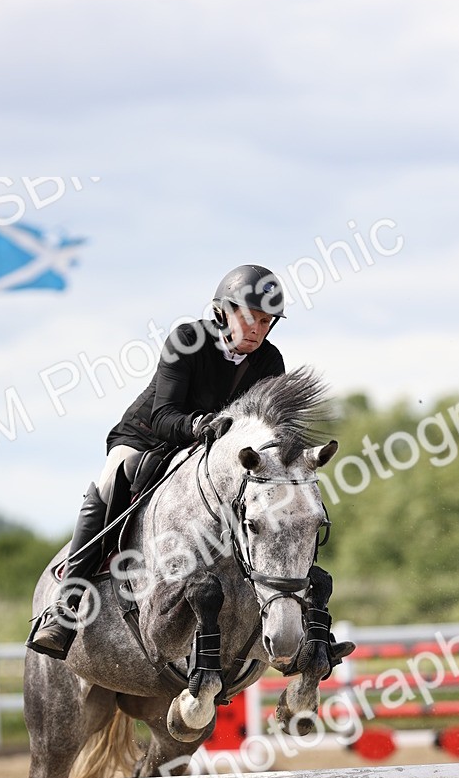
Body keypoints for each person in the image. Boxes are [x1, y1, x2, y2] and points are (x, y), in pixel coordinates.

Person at [27, 264, 289, 659]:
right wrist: (201, 424)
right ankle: (65, 606)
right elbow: (163, 414)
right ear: (225, 310)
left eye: (266, 321)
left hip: (211, 453)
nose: (256, 329)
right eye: (249, 317)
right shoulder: (187, 338)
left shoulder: (271, 362)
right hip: (148, 437)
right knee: (110, 480)